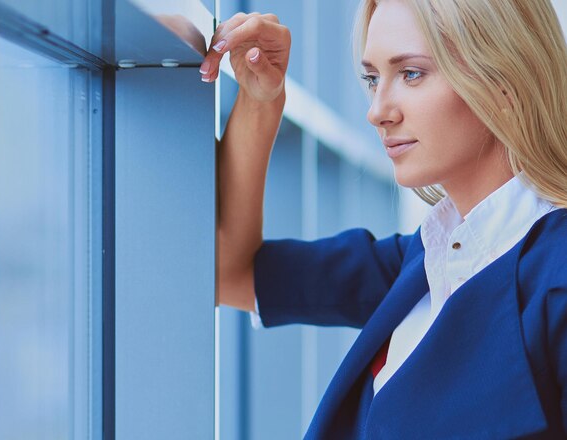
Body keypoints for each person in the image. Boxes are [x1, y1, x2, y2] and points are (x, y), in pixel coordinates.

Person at [203, 0, 567, 438]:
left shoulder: (554, 275)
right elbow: (228, 270)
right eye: (373, 79)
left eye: (411, 73)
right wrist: (262, 101)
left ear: (504, 82)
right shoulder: (425, 260)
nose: (377, 111)